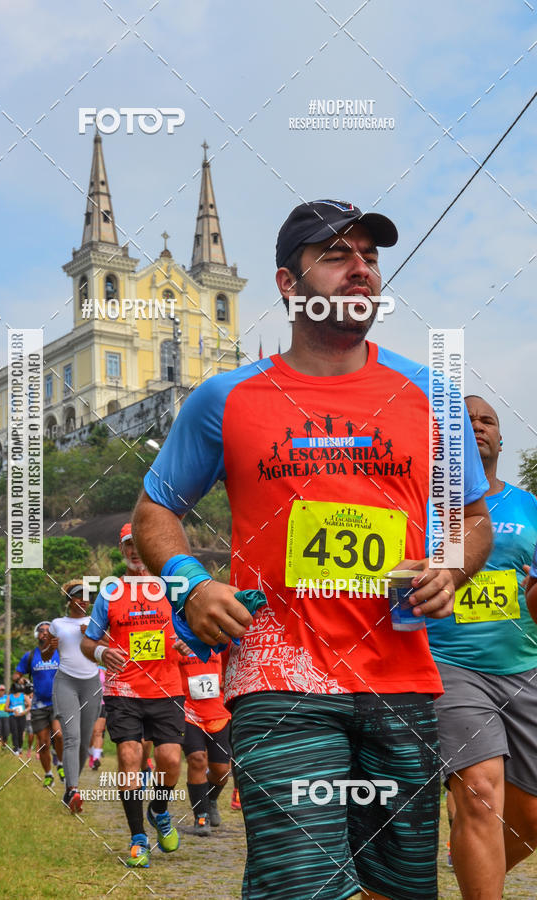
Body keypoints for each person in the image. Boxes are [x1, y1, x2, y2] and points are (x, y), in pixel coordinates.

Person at [132, 199, 493, 900]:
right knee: (302, 885)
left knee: (400, 888)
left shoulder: (431, 394)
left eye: (370, 258)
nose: (360, 270)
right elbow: (157, 510)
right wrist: (191, 582)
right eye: (336, 256)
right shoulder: (225, 398)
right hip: (280, 679)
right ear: (288, 284)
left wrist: (451, 563)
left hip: (402, 681)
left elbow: (472, 520)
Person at [428, 395, 537, 899]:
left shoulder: (529, 507)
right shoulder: (423, 504)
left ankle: (469, 851)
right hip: (449, 665)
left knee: (531, 819)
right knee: (479, 790)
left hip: (524, 669)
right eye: (465, 420)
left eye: (487, 420)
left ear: (500, 437)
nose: (477, 426)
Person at [81, 523, 184, 868]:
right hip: (123, 689)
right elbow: (88, 641)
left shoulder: (171, 587)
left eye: (141, 544)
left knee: (170, 760)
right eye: (129, 544)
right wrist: (100, 654)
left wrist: (189, 643)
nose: (135, 551)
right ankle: (138, 838)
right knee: (129, 758)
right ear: (122, 548)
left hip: (167, 688)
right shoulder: (110, 591)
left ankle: (159, 810)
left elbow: (196, 628)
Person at [42, 580, 102, 813]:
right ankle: (73, 789)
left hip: (92, 684)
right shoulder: (57, 624)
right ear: (70, 600)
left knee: (84, 742)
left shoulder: (96, 621)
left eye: (87, 596)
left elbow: (112, 645)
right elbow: (46, 655)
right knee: (72, 737)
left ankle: (70, 790)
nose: (84, 600)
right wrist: (51, 647)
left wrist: (93, 636)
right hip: (66, 682)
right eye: (79, 596)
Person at [175, 639, 232, 835]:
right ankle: (201, 816)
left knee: (222, 770)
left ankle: (211, 798)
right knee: (197, 760)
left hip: (218, 713)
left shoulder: (219, 639)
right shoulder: (176, 638)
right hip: (187, 712)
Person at [14, 622, 64, 788]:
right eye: (41, 631)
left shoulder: (61, 653)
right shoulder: (30, 656)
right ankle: (48, 774)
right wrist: (21, 680)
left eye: (48, 631)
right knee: (43, 743)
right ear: (37, 635)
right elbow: (16, 675)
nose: (44, 633)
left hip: (59, 701)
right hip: (38, 705)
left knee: (59, 735)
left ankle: (62, 764)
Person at [88, 666, 107, 770]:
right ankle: (91, 753)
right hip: (88, 704)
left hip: (102, 704)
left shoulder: (103, 670)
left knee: (98, 732)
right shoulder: (83, 669)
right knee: (90, 732)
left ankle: (96, 758)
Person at [5, 682, 29, 755]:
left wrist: (24, 712)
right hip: (13, 716)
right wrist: (12, 710)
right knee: (14, 732)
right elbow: (5, 708)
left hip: (21, 716)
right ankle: (15, 749)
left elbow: (30, 705)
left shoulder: (23, 696)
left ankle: (20, 747)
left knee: (20, 733)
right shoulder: (10, 697)